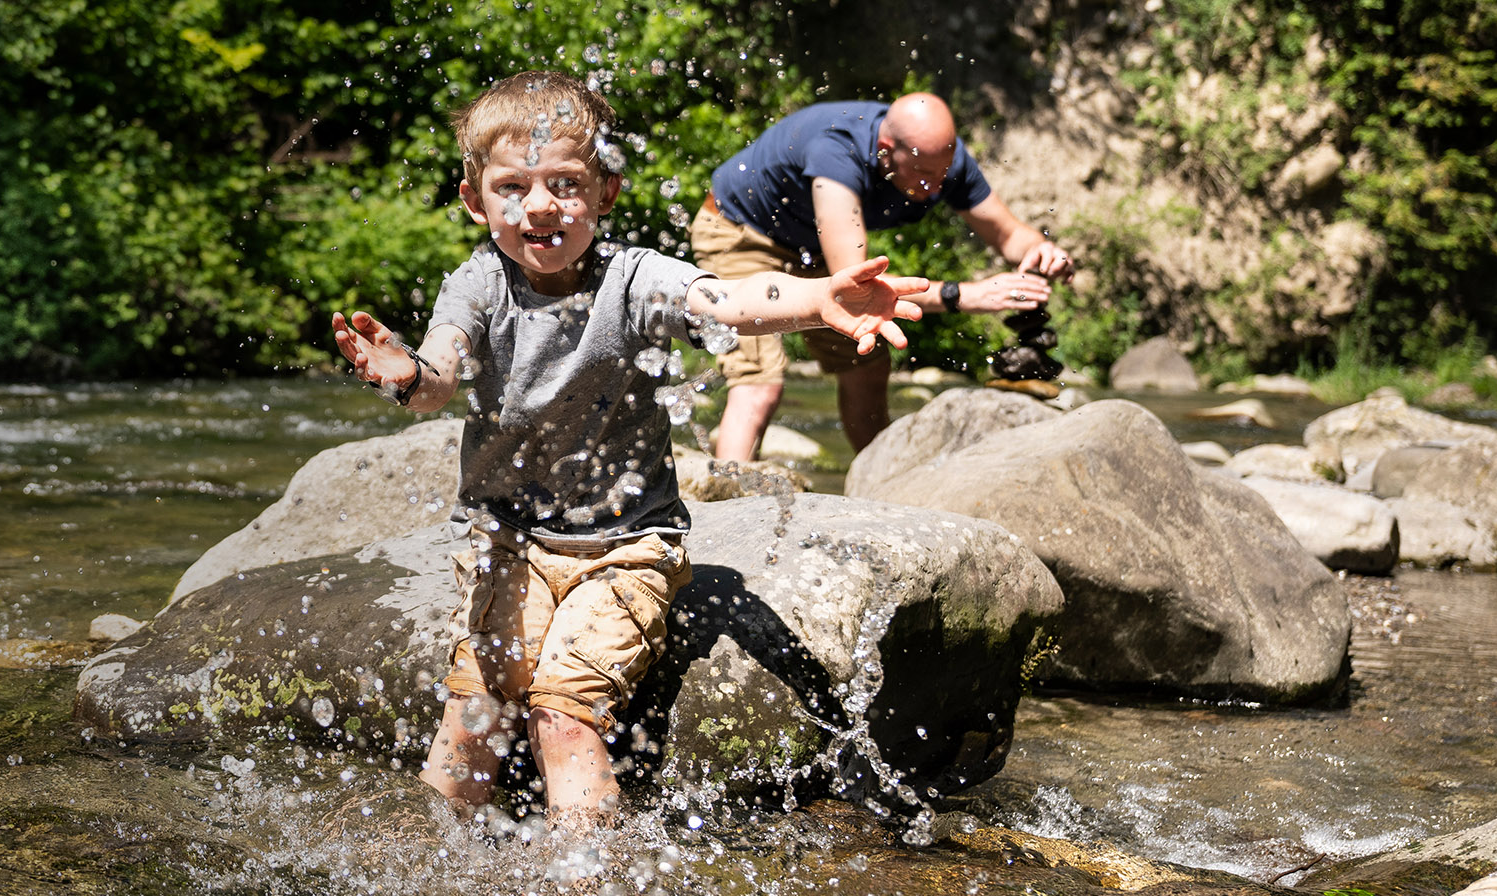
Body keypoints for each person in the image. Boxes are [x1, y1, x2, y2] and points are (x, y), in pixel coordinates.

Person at [328, 71, 926, 828]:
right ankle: (427, 861)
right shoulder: (475, 287)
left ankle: (583, 873)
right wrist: (407, 374)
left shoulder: (634, 279)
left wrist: (817, 298)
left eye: (565, 185)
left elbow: (730, 301)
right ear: (475, 201)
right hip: (504, 542)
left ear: (605, 191)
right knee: (476, 710)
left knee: (560, 714)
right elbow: (439, 378)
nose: (540, 206)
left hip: (626, 548)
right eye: (512, 188)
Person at [694, 92, 1078, 460]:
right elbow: (857, 287)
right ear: (885, 149)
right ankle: (731, 494)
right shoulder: (837, 154)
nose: (936, 188)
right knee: (759, 383)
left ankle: (877, 481)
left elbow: (1008, 235)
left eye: (943, 175)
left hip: (815, 248)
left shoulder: (940, 158)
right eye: (923, 175)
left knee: (867, 364)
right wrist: (962, 295)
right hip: (742, 235)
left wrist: (1039, 249)